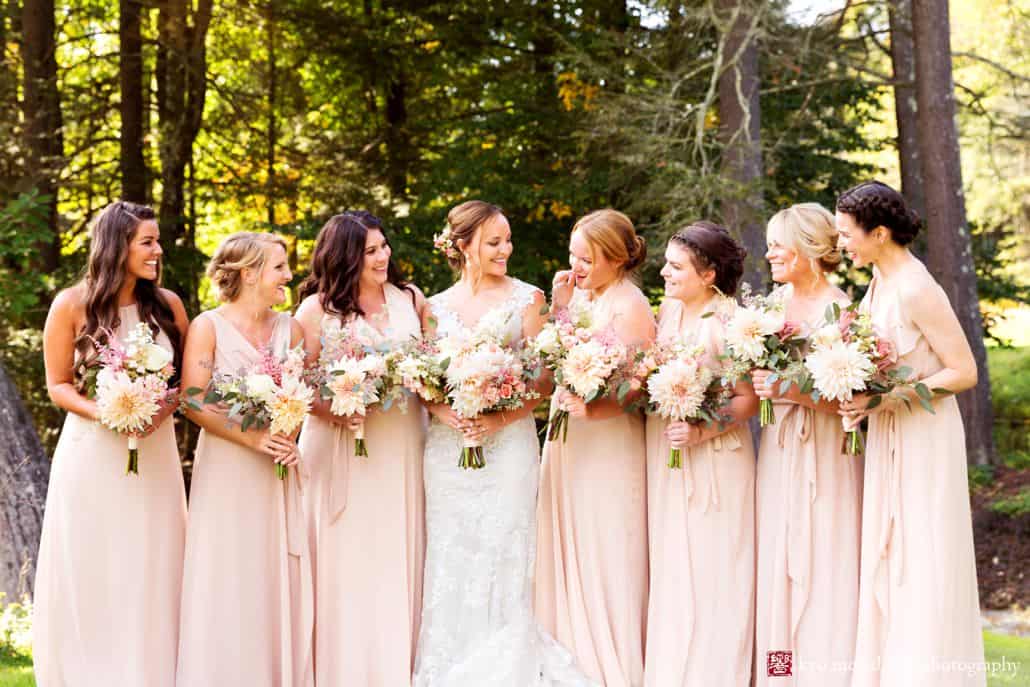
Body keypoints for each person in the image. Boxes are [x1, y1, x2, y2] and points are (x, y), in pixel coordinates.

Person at [413, 200, 595, 687]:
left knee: (506, 546)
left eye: (507, 240)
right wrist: (448, 412)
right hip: (449, 450)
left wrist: (499, 420)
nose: (506, 250)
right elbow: (422, 382)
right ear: (463, 246)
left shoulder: (528, 299)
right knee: (453, 551)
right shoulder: (433, 307)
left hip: (510, 443)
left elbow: (542, 378)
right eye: (494, 242)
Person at [33, 201, 188, 687]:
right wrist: (110, 413)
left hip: (156, 452)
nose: (158, 250)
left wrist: (157, 411)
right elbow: (57, 384)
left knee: (152, 561)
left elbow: (189, 380)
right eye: (148, 241)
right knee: (96, 563)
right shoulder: (71, 304)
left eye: (157, 240)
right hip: (92, 453)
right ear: (117, 245)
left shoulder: (168, 306)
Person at [837, 181, 985, 687]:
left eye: (848, 235)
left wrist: (886, 399)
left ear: (879, 233)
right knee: (890, 554)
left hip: (924, 438)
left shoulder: (917, 288)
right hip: (889, 435)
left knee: (921, 559)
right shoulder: (877, 282)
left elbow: (964, 371)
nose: (843, 245)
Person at [294, 212, 428, 685]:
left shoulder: (410, 299)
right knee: (345, 558)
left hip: (401, 442)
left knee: (395, 550)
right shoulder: (314, 312)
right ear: (346, 257)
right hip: (339, 445)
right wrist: (335, 408)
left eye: (384, 246)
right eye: (370, 251)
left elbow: (431, 367)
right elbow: (297, 385)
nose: (383, 256)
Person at [176, 232, 313, 687]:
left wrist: (289, 433)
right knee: (228, 571)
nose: (289, 276)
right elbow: (194, 401)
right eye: (279, 268)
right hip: (229, 468)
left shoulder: (291, 330)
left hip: (277, 468)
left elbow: (302, 395)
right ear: (250, 273)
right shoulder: (207, 326)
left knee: (273, 574)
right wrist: (253, 440)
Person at [535, 208, 655, 687]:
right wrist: (561, 307)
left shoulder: (631, 306)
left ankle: (611, 664)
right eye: (573, 256)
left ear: (617, 258)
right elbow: (559, 359)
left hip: (607, 442)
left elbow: (639, 389)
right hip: (572, 437)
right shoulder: (584, 298)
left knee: (605, 544)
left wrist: (596, 410)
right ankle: (568, 656)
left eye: (587, 259)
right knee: (567, 537)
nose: (577, 266)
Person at [643, 221, 758, 687]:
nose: (665, 274)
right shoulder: (669, 313)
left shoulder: (728, 322)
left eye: (676, 267)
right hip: (671, 459)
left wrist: (700, 431)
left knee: (716, 575)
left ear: (708, 275)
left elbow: (749, 399)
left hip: (718, 462)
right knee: (675, 572)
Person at [751, 204, 861, 687]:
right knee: (778, 562)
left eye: (779, 243)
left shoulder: (843, 311)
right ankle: (781, 674)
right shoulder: (771, 307)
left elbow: (856, 400)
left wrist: (787, 390)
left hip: (828, 456)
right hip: (778, 450)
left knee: (823, 564)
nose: (770, 252)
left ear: (810, 248)